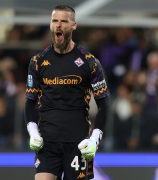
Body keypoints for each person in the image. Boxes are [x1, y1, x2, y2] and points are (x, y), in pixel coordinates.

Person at [24, 5, 110, 180]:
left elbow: (104, 104)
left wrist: (94, 139)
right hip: (47, 142)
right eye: (55, 21)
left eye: (64, 21)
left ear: (74, 25)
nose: (58, 25)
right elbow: (30, 101)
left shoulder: (89, 62)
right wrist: (33, 131)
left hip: (78, 143)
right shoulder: (38, 62)